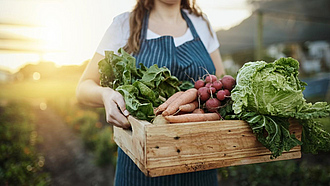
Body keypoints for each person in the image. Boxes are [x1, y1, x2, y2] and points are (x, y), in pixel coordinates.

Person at [76, 0, 226, 185]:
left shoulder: (201, 23)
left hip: (201, 160)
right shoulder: (124, 24)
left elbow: (220, 82)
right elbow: (83, 87)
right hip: (141, 165)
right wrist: (106, 95)